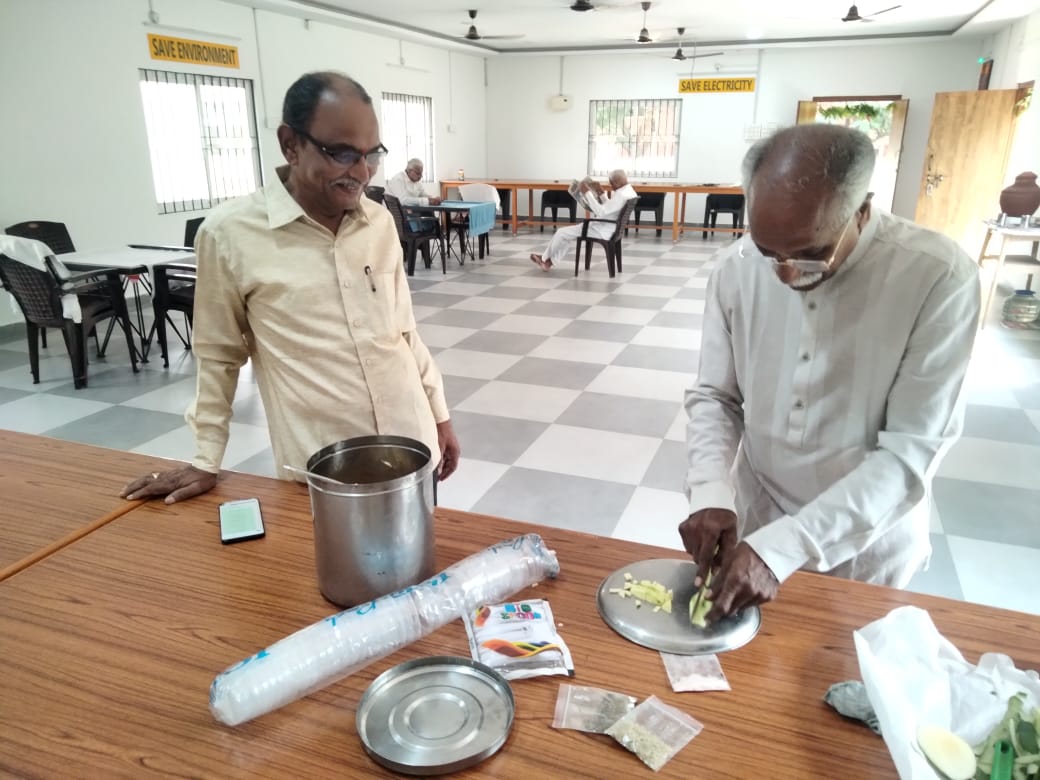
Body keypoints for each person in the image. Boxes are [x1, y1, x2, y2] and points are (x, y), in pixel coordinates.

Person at [680, 124, 979, 622]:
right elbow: (715, 396)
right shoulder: (735, 268)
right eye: (767, 251)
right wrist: (710, 489)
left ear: (862, 209)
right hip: (759, 512)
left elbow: (910, 453)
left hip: (864, 540)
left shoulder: (936, 276)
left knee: (839, 678)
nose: (785, 273)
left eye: (810, 253)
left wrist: (789, 545)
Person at [122, 72, 460, 504]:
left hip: (411, 449)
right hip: (322, 469)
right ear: (290, 144)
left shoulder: (377, 222)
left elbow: (405, 332)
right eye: (341, 153)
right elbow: (218, 354)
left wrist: (439, 417)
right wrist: (206, 458)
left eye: (370, 153)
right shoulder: (230, 235)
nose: (360, 172)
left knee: (420, 568)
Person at [530, 170, 637, 272]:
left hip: (601, 230)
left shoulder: (621, 195)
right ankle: (548, 261)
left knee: (561, 233)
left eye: (612, 184)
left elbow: (601, 212)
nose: (611, 186)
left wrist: (587, 193)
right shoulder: (628, 191)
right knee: (565, 235)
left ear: (618, 182)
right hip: (609, 228)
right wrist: (601, 194)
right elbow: (610, 208)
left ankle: (544, 260)